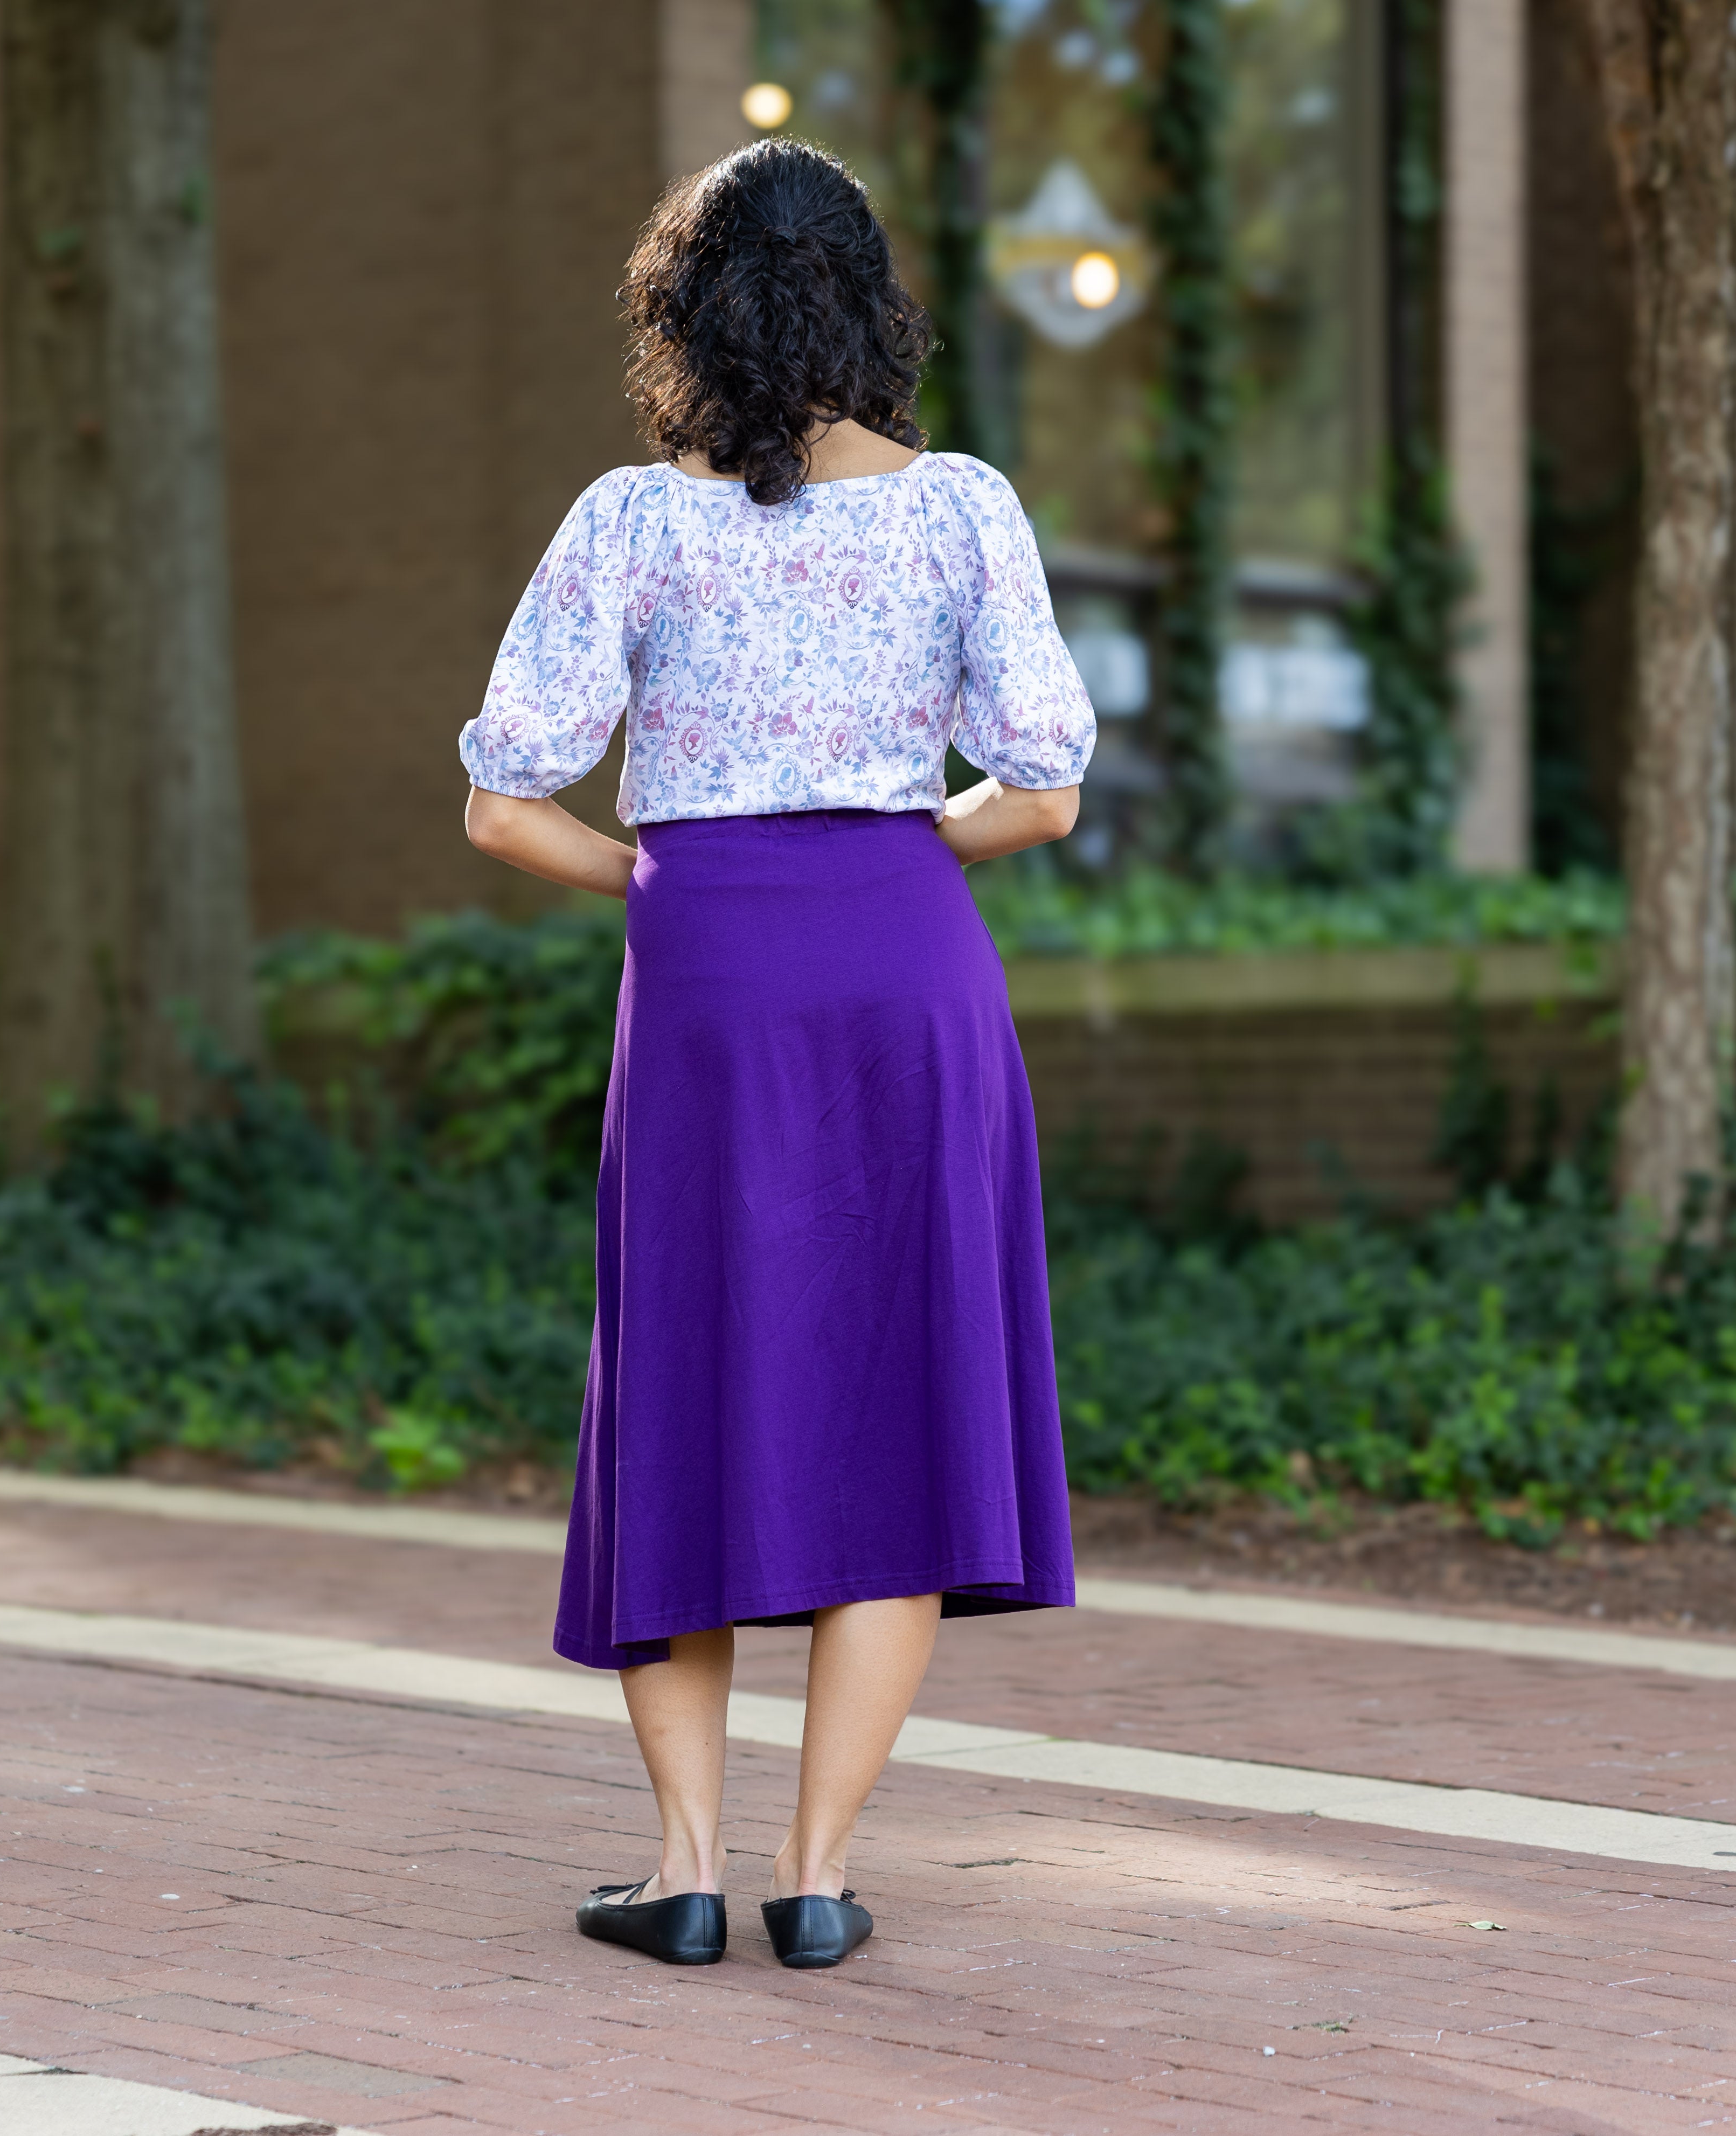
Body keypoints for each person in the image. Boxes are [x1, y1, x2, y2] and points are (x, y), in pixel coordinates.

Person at [457, 137, 1094, 1972]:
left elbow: (504, 806)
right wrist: (890, 850)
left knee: (686, 1382)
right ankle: (817, 1875)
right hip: (910, 963)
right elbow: (1041, 788)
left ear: (691, 310)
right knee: (894, 1399)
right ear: (868, 305)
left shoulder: (632, 522)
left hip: (710, 971)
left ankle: (681, 1869)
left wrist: (658, 871)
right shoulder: (964, 505)